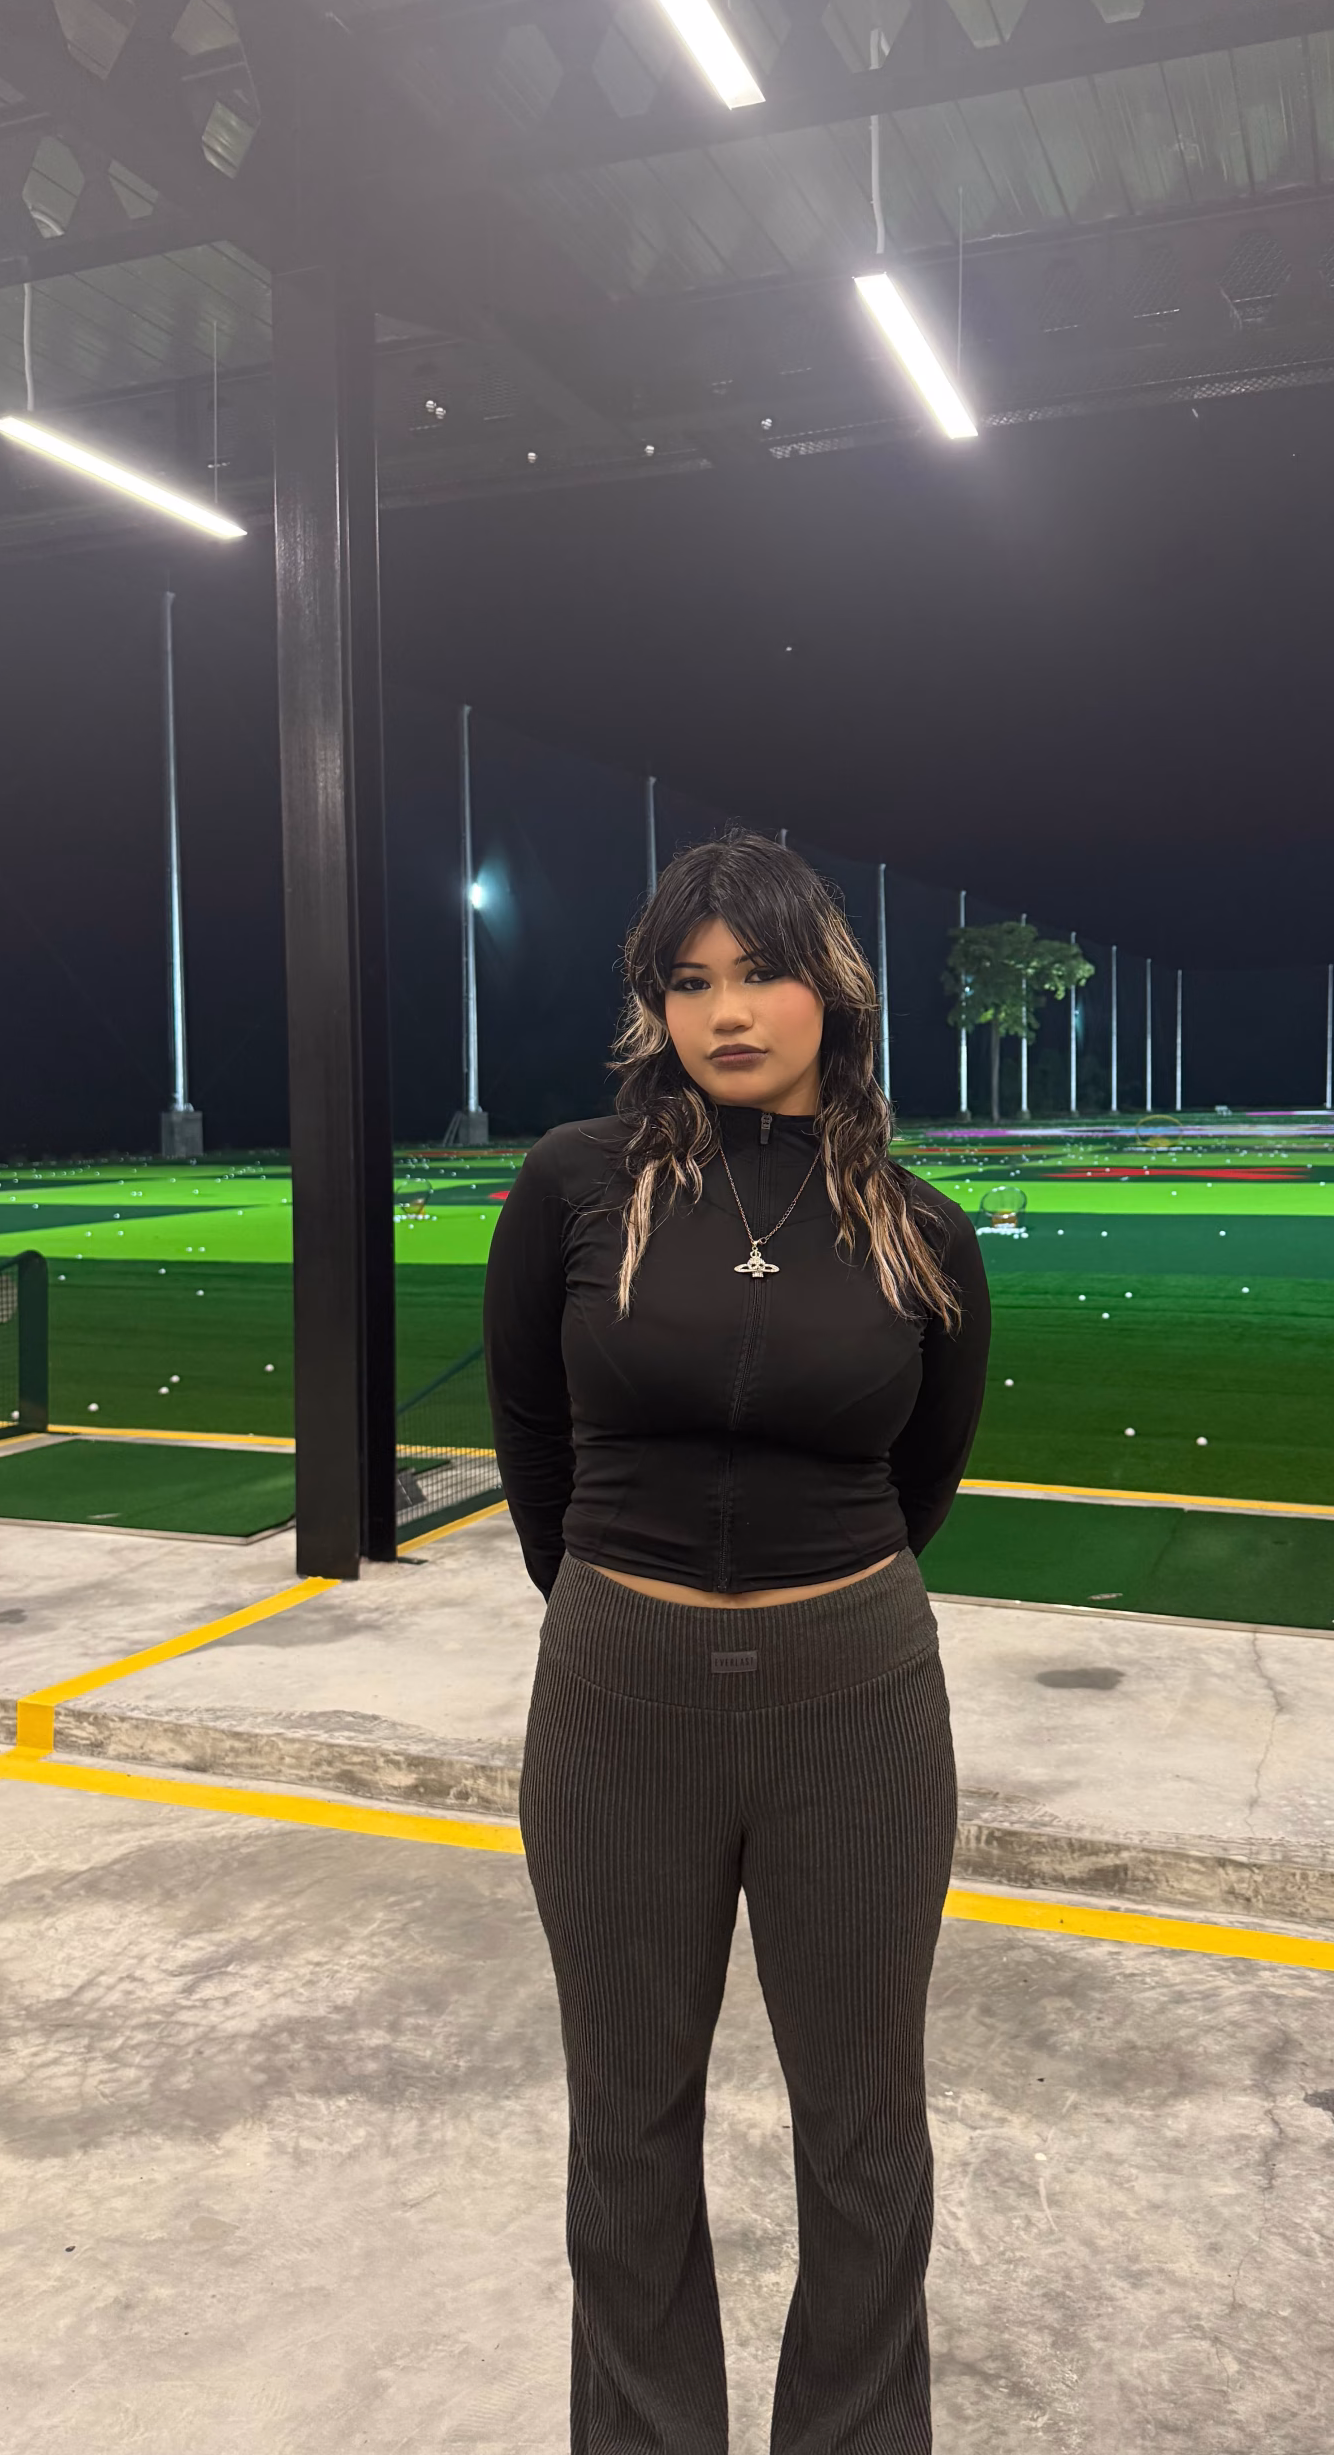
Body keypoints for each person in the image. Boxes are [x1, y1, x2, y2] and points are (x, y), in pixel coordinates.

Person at [485, 828, 990, 2453]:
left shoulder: (920, 1229)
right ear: (656, 1006)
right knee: (627, 2126)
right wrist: (618, 1607)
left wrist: (807, 1598)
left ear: (832, 991)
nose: (728, 1011)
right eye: (689, 980)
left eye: (762, 973)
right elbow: (533, 1441)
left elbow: (921, 1479)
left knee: (864, 2135)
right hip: (616, 1691)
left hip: (857, 1697)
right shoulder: (576, 1182)